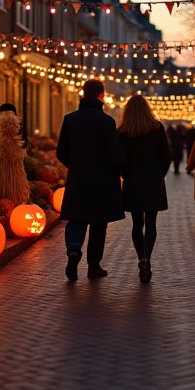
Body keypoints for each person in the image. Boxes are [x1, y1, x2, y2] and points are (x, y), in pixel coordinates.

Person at [56, 79, 125, 282]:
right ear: (101, 96)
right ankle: (94, 266)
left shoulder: (70, 120)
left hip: (78, 179)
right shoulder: (107, 122)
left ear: (83, 94)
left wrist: (76, 166)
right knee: (98, 224)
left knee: (76, 219)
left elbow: (61, 152)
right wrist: (118, 170)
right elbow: (114, 154)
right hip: (103, 182)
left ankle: (74, 249)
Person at [120, 97, 172, 283]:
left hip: (133, 180)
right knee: (151, 223)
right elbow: (166, 156)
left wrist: (126, 174)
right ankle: (147, 258)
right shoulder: (156, 128)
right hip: (153, 178)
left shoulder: (123, 131)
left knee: (136, 224)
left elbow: (120, 158)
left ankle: (140, 256)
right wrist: (160, 174)